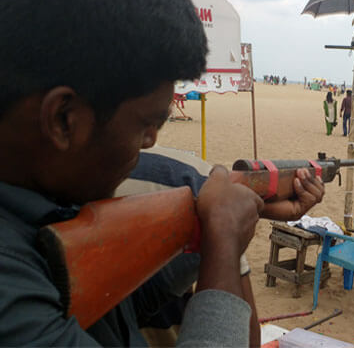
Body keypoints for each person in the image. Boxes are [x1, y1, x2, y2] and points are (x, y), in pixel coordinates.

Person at [0, 0, 324, 346]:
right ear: (63, 119)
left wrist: (220, 223)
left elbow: (113, 307)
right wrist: (224, 245)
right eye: (146, 125)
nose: (150, 143)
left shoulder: (24, 199)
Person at [114, 145, 267, 348]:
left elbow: (132, 303)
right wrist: (224, 233)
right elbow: (247, 336)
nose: (149, 137)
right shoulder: (193, 178)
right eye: (147, 123)